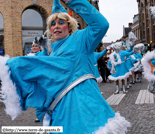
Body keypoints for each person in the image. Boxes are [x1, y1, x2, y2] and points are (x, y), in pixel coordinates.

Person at [0, 0, 130, 133]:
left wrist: (73, 1)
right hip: (60, 116)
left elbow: (101, 25)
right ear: (50, 29)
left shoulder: (80, 39)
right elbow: (44, 90)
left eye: (61, 23)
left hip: (86, 112)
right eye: (53, 24)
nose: (56, 26)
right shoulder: (51, 56)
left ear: (69, 26)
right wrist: (44, 116)